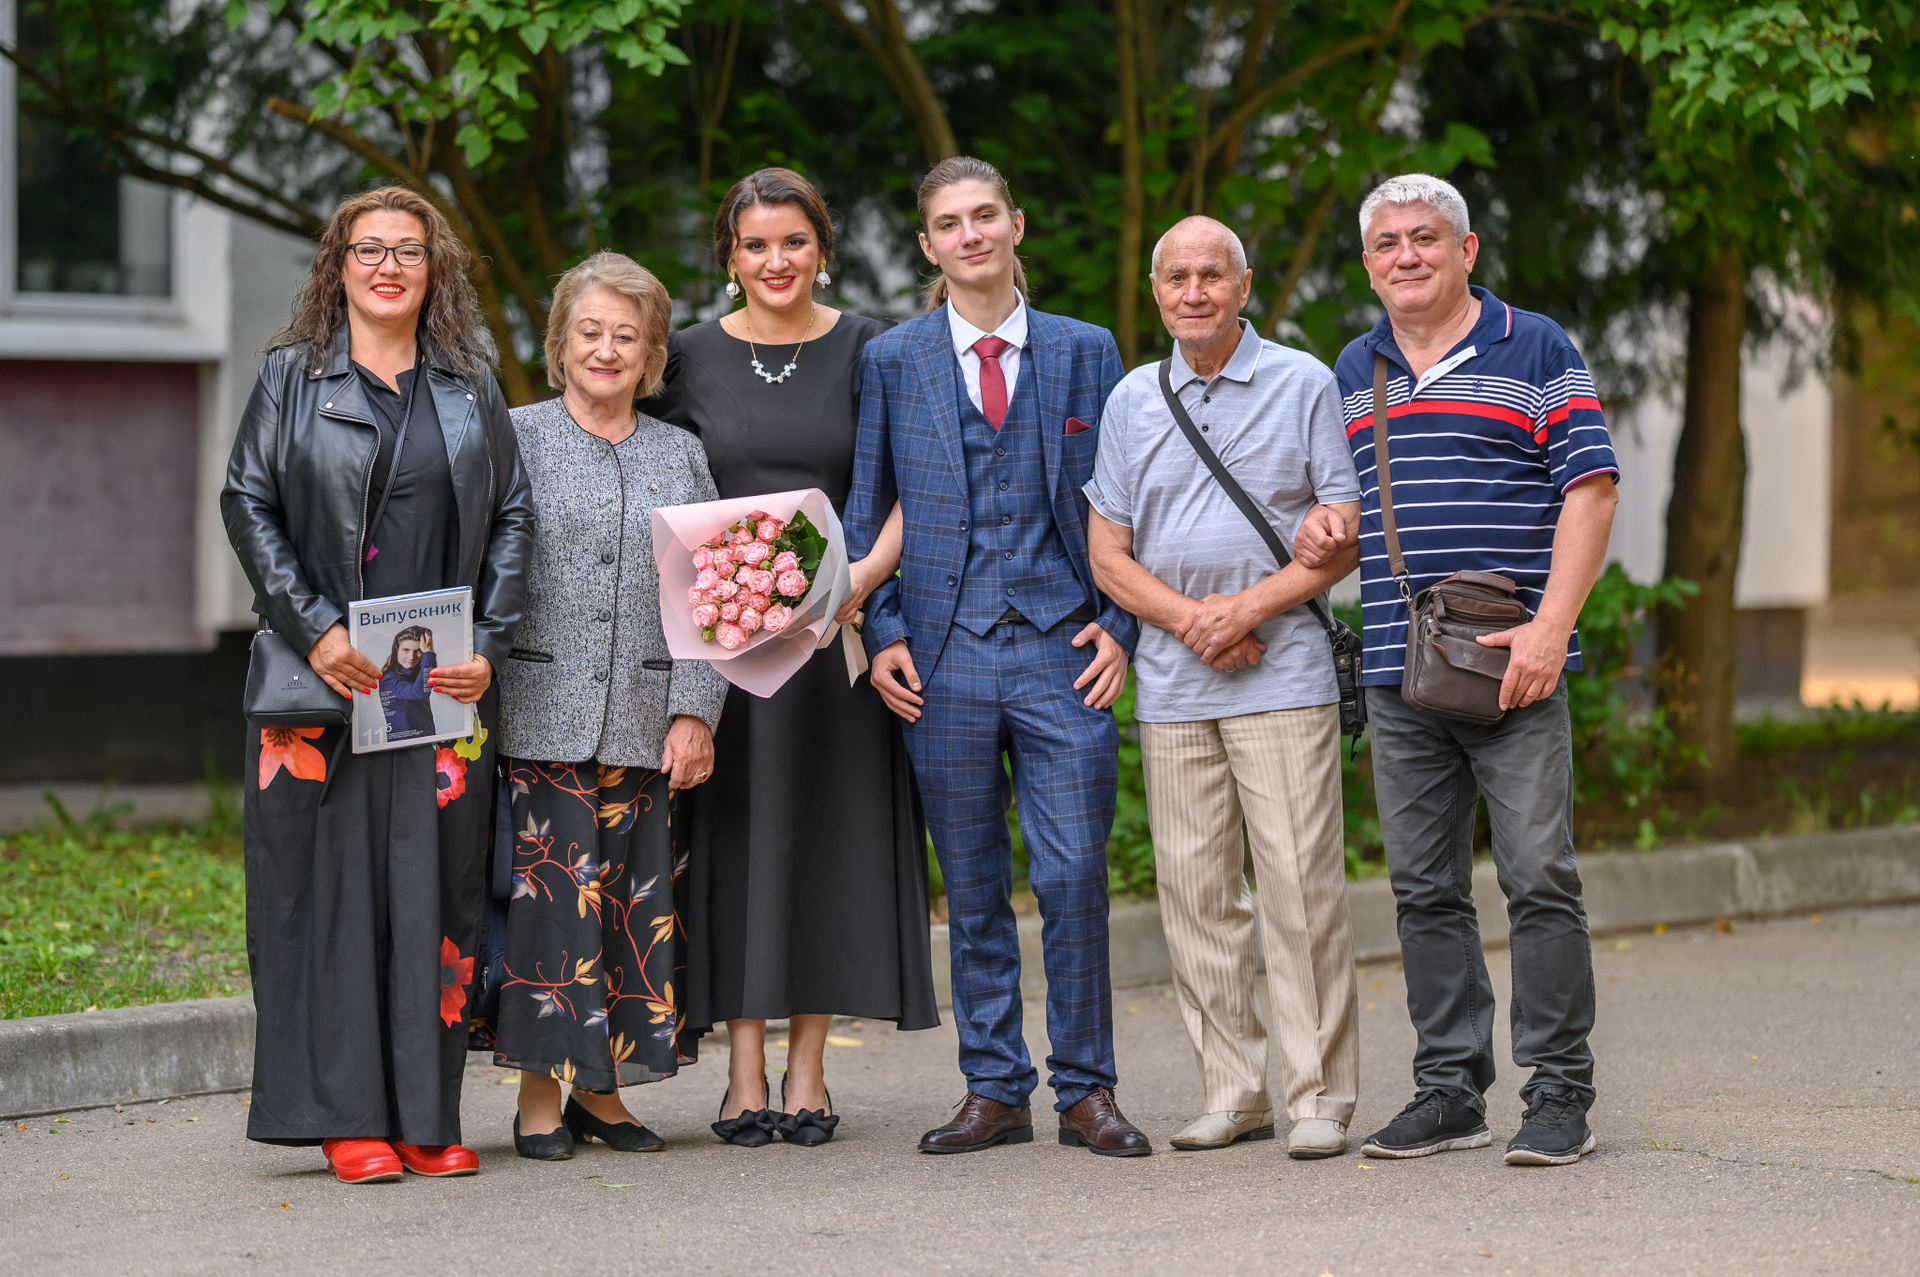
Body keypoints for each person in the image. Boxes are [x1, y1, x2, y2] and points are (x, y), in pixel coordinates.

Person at [1293, 173, 1619, 1167]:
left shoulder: (1537, 345)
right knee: (1424, 887)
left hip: (1514, 660)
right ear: (1368, 265)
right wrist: (1325, 525)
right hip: (1401, 669)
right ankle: (1450, 1089)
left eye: (1426, 237)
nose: (1407, 255)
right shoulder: (1356, 366)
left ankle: (1558, 1091)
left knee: (1539, 877)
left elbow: (1592, 491)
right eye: (1387, 242)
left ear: (1466, 250)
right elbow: (1351, 505)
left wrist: (1552, 627)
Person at [222, 186, 535, 1184]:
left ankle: (425, 1114)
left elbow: (514, 516)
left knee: (432, 895)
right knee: (323, 896)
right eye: (370, 249)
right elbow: (247, 500)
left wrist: (491, 639)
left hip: (438, 687)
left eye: (409, 249)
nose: (389, 266)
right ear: (339, 264)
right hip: (321, 683)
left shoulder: (470, 383)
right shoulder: (290, 376)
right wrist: (313, 628)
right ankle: (342, 1114)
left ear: (435, 268)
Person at [845, 156, 1149, 1158]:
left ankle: (1087, 1089)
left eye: (985, 215)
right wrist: (881, 633)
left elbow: (1127, 500)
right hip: (944, 656)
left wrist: (1122, 624)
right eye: (949, 222)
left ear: (1015, 225)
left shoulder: (1085, 349)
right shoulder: (893, 359)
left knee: (1073, 875)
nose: (970, 234)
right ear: (928, 244)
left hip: (1065, 648)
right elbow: (868, 509)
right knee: (972, 885)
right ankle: (993, 1086)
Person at [652, 167, 938, 1148]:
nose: (776, 261)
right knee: (737, 845)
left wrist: (861, 578)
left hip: (833, 643)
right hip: (724, 653)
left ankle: (808, 1067)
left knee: (823, 841)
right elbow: (661, 491)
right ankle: (742, 1071)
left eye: (794, 241)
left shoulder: (873, 347)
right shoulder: (687, 357)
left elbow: (914, 481)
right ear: (729, 258)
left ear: (823, 248)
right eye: (755, 245)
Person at [1084, 215, 1363, 1159]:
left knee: (1299, 890)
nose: (1194, 291)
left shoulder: (1304, 382)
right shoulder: (1132, 398)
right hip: (1173, 686)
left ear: (1245, 287)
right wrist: (1194, 623)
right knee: (1197, 895)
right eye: (1178, 276)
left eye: (1213, 274)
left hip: (1284, 676)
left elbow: (1344, 531)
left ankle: (1319, 1094)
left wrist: (1245, 609)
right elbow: (1108, 554)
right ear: (1156, 292)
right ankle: (1234, 1090)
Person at [480, 252, 730, 1161]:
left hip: (647, 715)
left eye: (627, 335)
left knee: (629, 903)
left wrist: (696, 709)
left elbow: (713, 593)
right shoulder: (513, 437)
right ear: (560, 342)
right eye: (589, 331)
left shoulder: (680, 452)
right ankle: (537, 1095)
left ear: (652, 354)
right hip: (537, 709)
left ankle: (602, 1090)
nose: (607, 349)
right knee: (550, 906)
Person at [379, 626, 437, 740]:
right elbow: (419, 692)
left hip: (427, 739)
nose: (411, 657)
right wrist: (428, 654)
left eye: (418, 650)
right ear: (396, 650)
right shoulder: (389, 679)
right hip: (404, 743)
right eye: (406, 650)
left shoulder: (417, 671)